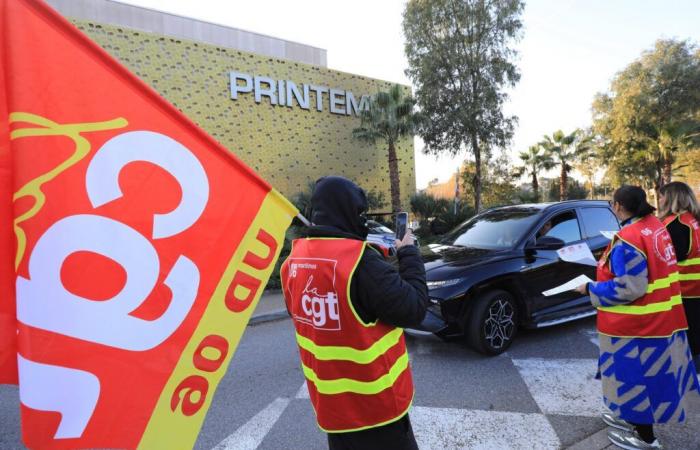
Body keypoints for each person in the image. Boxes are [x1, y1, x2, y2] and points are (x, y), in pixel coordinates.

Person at [280, 176, 428, 450]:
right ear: (348, 213)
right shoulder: (360, 262)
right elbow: (415, 308)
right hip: (377, 412)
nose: (362, 220)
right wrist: (408, 254)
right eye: (360, 213)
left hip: (334, 412)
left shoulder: (294, 262)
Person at [575, 185, 698, 450]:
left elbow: (629, 287)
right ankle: (628, 417)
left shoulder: (630, 238)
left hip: (634, 327)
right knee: (643, 379)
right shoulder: (656, 226)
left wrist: (590, 288)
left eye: (612, 204)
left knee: (635, 380)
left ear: (618, 206)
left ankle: (644, 438)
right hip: (659, 320)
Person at [658, 181, 700, 369]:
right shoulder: (694, 219)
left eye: (661, 196)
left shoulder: (674, 224)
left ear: (671, 198)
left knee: (690, 332)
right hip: (696, 286)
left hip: (686, 288)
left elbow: (671, 256)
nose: (659, 200)